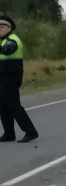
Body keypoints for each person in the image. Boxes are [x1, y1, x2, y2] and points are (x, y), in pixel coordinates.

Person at [0, 14, 39, 143]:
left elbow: (7, 50)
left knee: (13, 105)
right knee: (3, 106)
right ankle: (9, 134)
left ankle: (30, 131)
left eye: (3, 26)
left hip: (11, 77)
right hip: (2, 77)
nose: (0, 28)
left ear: (9, 28)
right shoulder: (1, 40)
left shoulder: (13, 39)